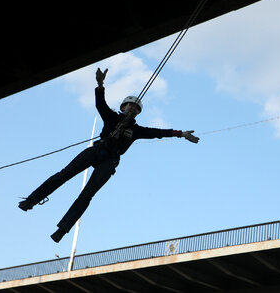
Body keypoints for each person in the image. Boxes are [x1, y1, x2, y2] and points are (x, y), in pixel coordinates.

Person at [18, 68, 199, 243]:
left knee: (87, 194)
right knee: (64, 174)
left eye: (136, 108)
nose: (133, 109)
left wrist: (181, 134)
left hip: (111, 160)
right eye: (130, 106)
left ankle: (62, 229)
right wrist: (100, 84)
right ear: (123, 107)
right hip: (97, 150)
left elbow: (158, 132)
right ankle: (32, 200)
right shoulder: (111, 117)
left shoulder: (136, 130)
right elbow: (100, 104)